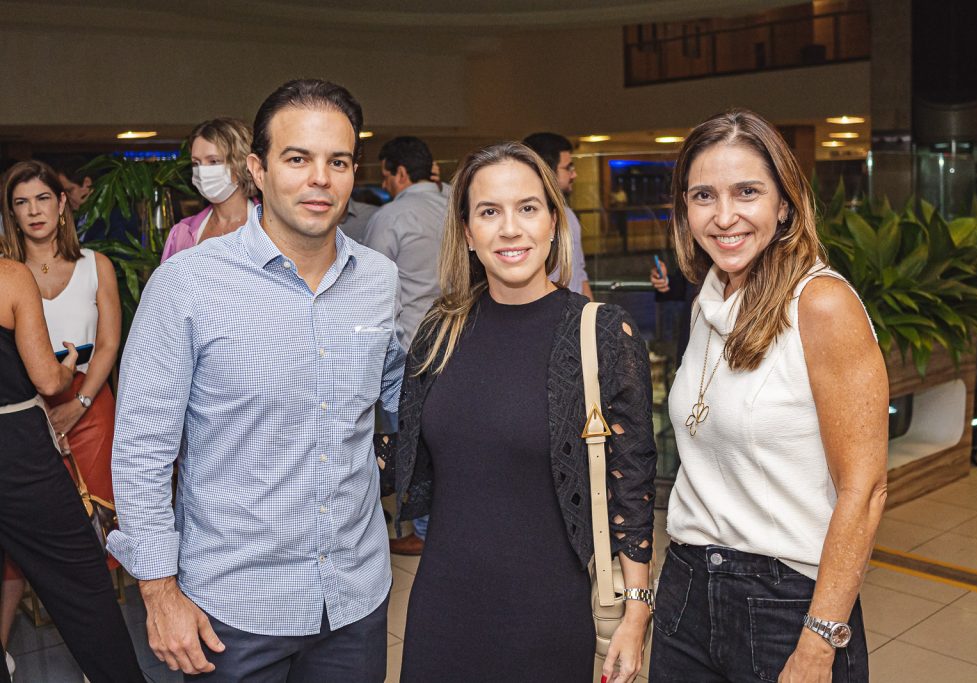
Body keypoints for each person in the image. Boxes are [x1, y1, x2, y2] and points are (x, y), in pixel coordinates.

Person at [109, 79, 404, 681]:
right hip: (231, 612)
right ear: (258, 170)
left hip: (354, 601)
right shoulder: (186, 284)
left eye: (338, 162)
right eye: (297, 159)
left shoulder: (378, 279)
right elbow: (141, 449)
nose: (320, 179)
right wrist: (158, 591)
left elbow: (404, 392)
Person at [387, 141, 657, 682]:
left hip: (545, 615)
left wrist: (636, 609)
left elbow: (631, 481)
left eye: (528, 208)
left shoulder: (601, 332)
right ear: (467, 232)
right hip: (443, 607)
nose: (510, 229)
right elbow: (411, 452)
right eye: (489, 212)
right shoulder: (439, 331)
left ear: (554, 222)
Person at [649, 110, 887, 682]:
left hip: (786, 599)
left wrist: (820, 640)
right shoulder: (710, 297)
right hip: (686, 585)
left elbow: (865, 490)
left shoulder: (821, 304)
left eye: (747, 192)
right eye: (703, 195)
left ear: (784, 204)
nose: (724, 216)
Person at [0, 257, 144, 683]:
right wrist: (66, 371)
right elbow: (47, 380)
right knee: (79, 580)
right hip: (16, 449)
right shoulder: (10, 276)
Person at [0, 160, 123, 654]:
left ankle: (102, 650)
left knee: (97, 530)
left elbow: (109, 342)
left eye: (42, 198)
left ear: (62, 202)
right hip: (27, 414)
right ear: (11, 213)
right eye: (21, 202)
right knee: (19, 545)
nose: (34, 211)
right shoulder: (8, 273)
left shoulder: (96, 264)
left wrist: (83, 401)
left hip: (90, 404)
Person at [363, 135, 447, 556]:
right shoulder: (459, 204)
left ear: (399, 172)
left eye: (386, 175)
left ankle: (427, 532)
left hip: (413, 348)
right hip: (462, 340)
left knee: (413, 444)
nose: (386, 184)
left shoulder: (391, 216)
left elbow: (372, 287)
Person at [160, 117, 260, 262]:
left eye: (213, 161)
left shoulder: (270, 226)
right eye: (196, 163)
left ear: (240, 163)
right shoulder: (182, 233)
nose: (202, 171)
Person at [523, 131, 593, 300]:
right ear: (547, 170)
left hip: (575, 312)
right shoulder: (523, 222)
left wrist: (591, 311)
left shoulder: (568, 214)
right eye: (568, 168)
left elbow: (579, 272)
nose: (574, 174)